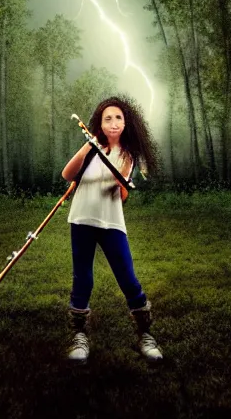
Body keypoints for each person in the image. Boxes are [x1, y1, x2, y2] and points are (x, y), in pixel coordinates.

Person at [61, 95, 162, 364]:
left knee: (127, 277)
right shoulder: (91, 147)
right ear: (99, 124)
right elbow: (67, 175)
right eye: (108, 118)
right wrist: (88, 149)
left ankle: (145, 334)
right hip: (81, 218)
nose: (114, 123)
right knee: (83, 278)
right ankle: (79, 336)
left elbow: (123, 194)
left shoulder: (127, 155)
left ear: (126, 123)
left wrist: (119, 183)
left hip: (111, 222)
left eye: (118, 118)